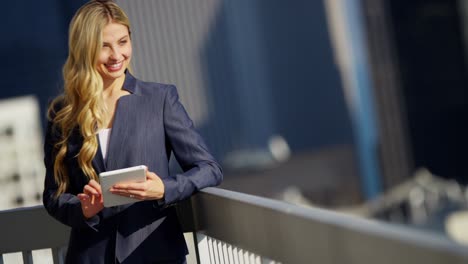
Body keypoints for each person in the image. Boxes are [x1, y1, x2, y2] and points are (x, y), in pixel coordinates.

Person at [42, 1, 223, 263]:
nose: (117, 55)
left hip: (155, 253)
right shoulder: (63, 114)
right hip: (90, 257)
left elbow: (209, 168)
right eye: (104, 46)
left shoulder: (160, 99)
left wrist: (164, 188)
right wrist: (83, 208)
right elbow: (53, 195)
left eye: (123, 41)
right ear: (84, 49)